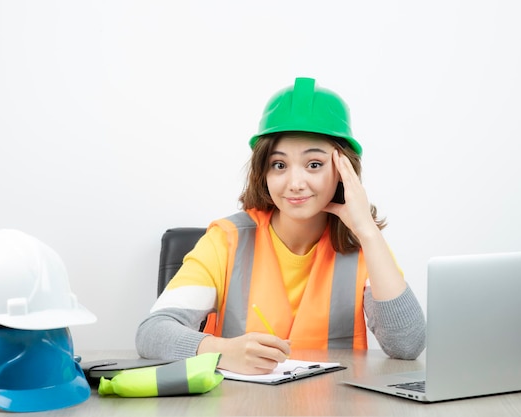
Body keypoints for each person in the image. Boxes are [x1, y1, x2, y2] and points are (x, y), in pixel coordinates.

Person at [136, 77, 426, 375]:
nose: (295, 184)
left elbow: (407, 345)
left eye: (314, 164)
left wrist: (367, 231)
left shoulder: (365, 244)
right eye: (279, 165)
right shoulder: (225, 241)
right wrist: (221, 351)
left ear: (343, 171)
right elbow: (151, 333)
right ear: (263, 172)